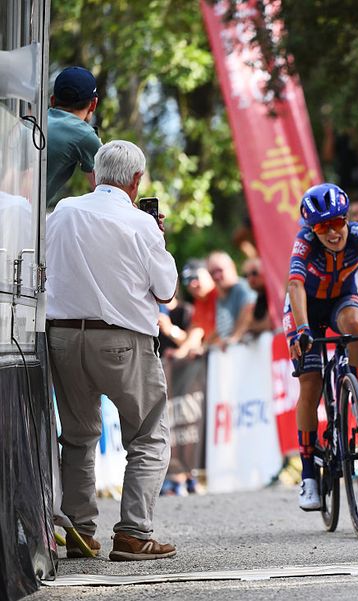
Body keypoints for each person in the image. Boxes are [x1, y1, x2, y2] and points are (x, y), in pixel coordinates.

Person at [46, 140, 177, 561]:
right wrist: (158, 236)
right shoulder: (141, 224)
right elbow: (167, 290)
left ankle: (80, 531)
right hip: (123, 342)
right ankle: (134, 533)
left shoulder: (62, 211)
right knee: (149, 436)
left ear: (94, 174)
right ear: (137, 180)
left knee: (79, 438)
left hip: (62, 337)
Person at [284, 183, 358, 510]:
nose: (333, 232)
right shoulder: (304, 242)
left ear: (347, 219)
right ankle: (308, 476)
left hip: (340, 301)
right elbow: (294, 285)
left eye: (338, 222)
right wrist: (303, 328)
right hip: (305, 307)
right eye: (323, 226)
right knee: (311, 385)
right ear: (312, 228)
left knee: (356, 326)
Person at [47, 66, 102, 210]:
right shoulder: (84, 134)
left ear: (52, 101)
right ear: (93, 104)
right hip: (20, 219)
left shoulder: (36, 119)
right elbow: (109, 192)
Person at [206, 251, 257, 348]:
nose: (216, 276)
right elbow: (222, 327)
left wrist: (234, 338)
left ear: (232, 267)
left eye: (219, 270)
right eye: (212, 273)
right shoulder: (220, 297)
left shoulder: (242, 288)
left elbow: (249, 311)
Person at [171, 259, 217, 359]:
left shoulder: (220, 294)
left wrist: (204, 347)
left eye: (195, 277)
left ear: (207, 273)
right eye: (187, 280)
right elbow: (196, 332)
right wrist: (179, 353)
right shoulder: (199, 302)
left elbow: (223, 327)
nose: (192, 284)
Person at [242, 257, 273, 335]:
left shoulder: (273, 293)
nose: (251, 279)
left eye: (254, 273)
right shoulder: (258, 297)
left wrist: (250, 327)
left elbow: (270, 324)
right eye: (246, 275)